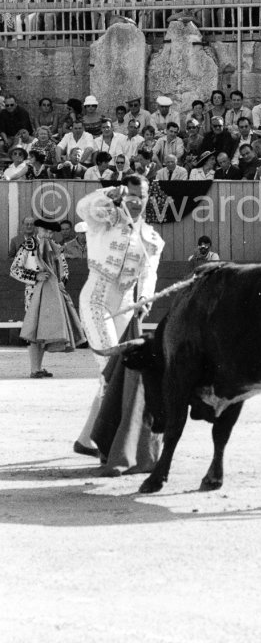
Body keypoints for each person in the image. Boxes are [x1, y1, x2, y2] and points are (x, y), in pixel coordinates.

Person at [73, 176, 165, 465]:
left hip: (125, 304)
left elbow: (150, 273)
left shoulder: (151, 236)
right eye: (132, 195)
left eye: (143, 196)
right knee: (110, 372)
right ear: (123, 196)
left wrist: (145, 299)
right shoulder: (105, 218)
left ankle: (88, 438)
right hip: (97, 298)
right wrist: (107, 193)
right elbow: (83, 208)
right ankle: (107, 444)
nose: (137, 201)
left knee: (115, 373)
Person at [10, 218, 85, 378]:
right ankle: (34, 369)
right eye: (46, 231)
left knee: (43, 330)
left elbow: (64, 269)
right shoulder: (28, 246)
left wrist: (61, 283)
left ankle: (38, 367)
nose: (48, 235)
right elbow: (14, 269)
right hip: (34, 292)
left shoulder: (56, 247)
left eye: (51, 232)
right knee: (34, 329)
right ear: (38, 230)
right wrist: (35, 275)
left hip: (53, 294)